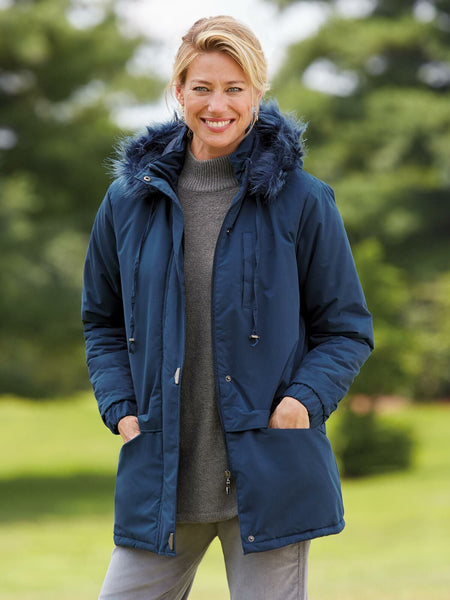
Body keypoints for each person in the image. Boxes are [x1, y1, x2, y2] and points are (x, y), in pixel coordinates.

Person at [82, 15, 374, 600]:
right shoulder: (127, 202)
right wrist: (121, 410)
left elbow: (345, 330)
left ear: (258, 93)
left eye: (234, 88)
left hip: (270, 471)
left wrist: (300, 404)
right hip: (161, 473)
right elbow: (102, 321)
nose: (217, 105)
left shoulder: (303, 200)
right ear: (179, 91)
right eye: (202, 88)